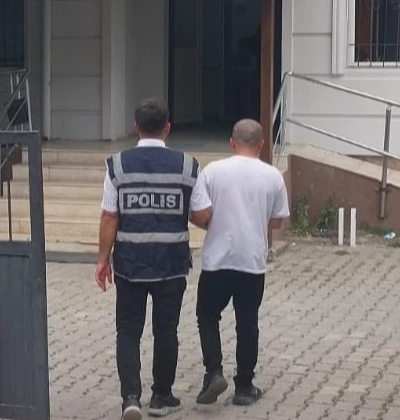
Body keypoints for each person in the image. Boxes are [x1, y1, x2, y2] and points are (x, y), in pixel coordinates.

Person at [95, 98, 212, 420]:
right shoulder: (188, 166)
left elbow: (109, 216)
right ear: (168, 127)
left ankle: (130, 398)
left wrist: (103, 260)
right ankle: (161, 397)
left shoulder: (117, 165)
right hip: (171, 264)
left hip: (130, 264)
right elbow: (203, 215)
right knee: (166, 330)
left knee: (128, 331)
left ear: (135, 127)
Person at [193, 119, 290, 407]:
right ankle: (245, 387)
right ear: (261, 144)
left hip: (217, 260)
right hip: (252, 260)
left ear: (232, 142)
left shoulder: (212, 171)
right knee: (247, 322)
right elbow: (278, 220)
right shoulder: (273, 176)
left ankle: (213, 372)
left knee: (207, 315)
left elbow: (201, 213)